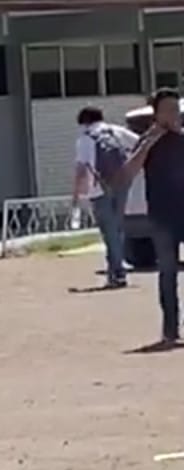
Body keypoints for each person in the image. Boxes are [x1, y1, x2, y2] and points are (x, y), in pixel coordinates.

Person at [121, 88, 184, 344]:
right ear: (156, 114)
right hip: (162, 216)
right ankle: (170, 330)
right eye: (167, 109)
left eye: (176, 109)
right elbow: (128, 172)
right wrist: (148, 143)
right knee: (167, 271)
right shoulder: (147, 141)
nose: (173, 114)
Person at [72, 105, 139, 288]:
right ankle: (115, 270)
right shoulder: (116, 131)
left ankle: (117, 272)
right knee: (117, 228)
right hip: (122, 183)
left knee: (109, 232)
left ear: (84, 122)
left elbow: (81, 170)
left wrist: (76, 195)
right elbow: (139, 144)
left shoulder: (85, 138)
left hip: (99, 188)